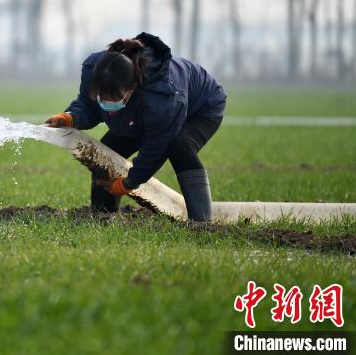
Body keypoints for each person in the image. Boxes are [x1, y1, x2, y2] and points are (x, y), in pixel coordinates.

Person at [45, 32, 227, 221]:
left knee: (179, 147)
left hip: (202, 106)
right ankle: (103, 217)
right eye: (102, 96)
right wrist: (70, 117)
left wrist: (128, 182)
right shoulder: (95, 71)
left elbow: (156, 148)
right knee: (106, 151)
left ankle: (202, 222)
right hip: (145, 110)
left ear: (133, 88)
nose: (106, 103)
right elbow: (87, 105)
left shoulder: (160, 98)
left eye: (114, 98)